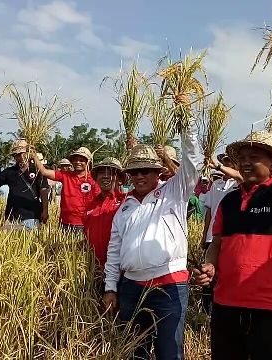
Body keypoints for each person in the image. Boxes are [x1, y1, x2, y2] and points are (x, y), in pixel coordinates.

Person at [194, 121, 272, 359]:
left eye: (255, 156)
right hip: (226, 302)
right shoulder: (228, 201)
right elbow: (217, 243)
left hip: (269, 305)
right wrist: (209, 264)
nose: (246, 162)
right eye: (243, 158)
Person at [102, 118, 203, 360]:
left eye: (145, 170)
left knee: (168, 352)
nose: (139, 176)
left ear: (158, 172)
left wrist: (186, 120)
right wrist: (110, 288)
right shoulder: (124, 207)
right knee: (136, 352)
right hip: (131, 288)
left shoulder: (173, 192)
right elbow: (114, 250)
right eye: (134, 171)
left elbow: (194, 163)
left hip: (169, 286)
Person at [0, 139, 50, 230]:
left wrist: (45, 210)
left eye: (22, 153)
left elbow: (44, 191)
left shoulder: (38, 171)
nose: (20, 157)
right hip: (12, 217)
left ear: (29, 153)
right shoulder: (10, 172)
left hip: (32, 217)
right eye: (16, 155)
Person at [33, 148, 100, 233]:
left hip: (84, 224)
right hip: (65, 223)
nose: (78, 162)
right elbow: (44, 172)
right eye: (75, 160)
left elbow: (98, 202)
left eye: (82, 160)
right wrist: (34, 156)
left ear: (88, 162)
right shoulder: (65, 175)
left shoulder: (94, 179)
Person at [83, 157, 126, 270]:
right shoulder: (90, 206)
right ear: (96, 178)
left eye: (111, 173)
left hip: (120, 269)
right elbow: (87, 237)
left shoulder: (126, 203)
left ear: (120, 180)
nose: (105, 176)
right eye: (101, 172)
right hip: (94, 269)